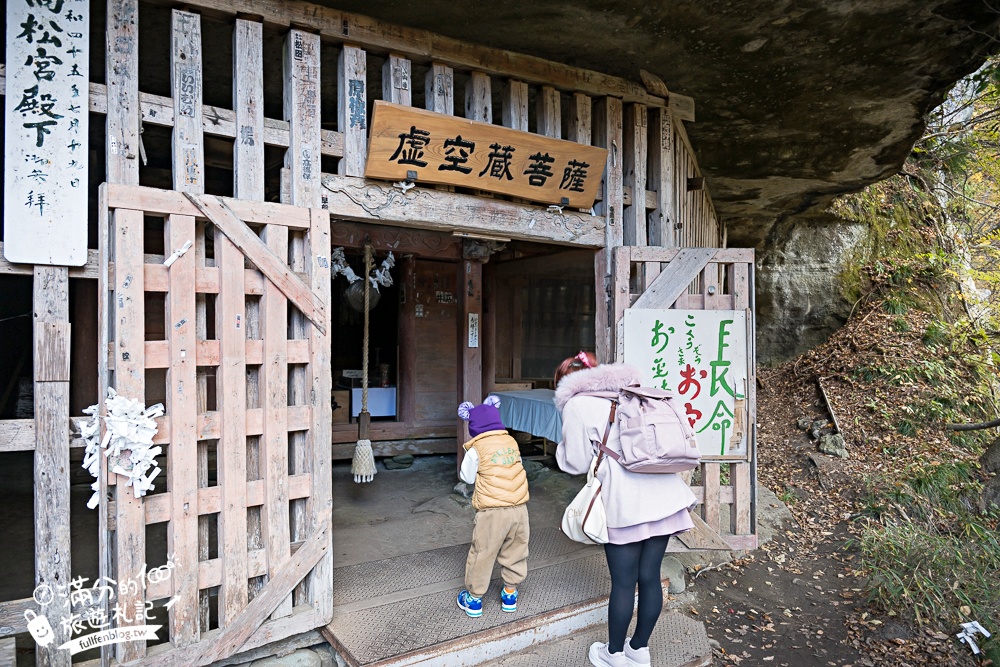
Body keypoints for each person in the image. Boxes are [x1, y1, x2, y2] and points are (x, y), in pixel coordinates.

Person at [554, 351, 696, 667]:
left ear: (567, 381)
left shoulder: (577, 405)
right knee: (649, 576)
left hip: (625, 503)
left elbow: (574, 463)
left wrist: (563, 450)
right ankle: (639, 650)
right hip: (664, 495)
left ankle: (614, 654)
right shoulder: (634, 394)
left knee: (623, 582)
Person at [455, 395, 530, 618]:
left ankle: (474, 599)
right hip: (519, 509)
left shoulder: (477, 447)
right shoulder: (511, 442)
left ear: (474, 426)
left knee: (483, 552)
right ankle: (510, 593)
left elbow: (466, 478)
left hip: (492, 511)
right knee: (516, 550)